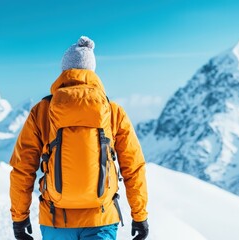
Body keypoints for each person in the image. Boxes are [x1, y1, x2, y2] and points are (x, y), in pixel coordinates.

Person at [9, 36, 149, 240]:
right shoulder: (113, 111)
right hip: (101, 218)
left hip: (55, 218)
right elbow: (133, 167)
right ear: (92, 72)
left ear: (64, 72)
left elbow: (23, 168)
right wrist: (140, 215)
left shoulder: (42, 111)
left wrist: (19, 218)